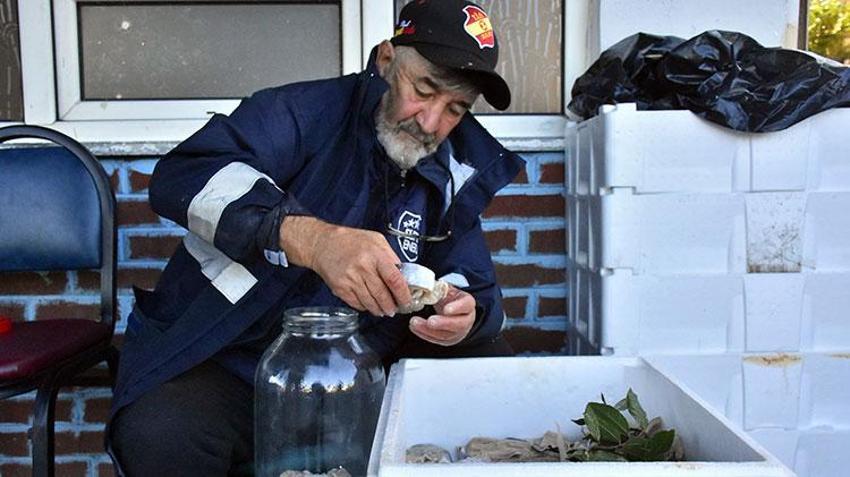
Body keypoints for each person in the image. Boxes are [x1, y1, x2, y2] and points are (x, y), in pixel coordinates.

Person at [107, 0, 524, 474]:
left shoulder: (454, 166)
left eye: (455, 108)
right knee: (159, 432)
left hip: (366, 376)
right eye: (424, 89)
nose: (430, 124)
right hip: (233, 361)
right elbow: (183, 175)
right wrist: (309, 238)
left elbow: (475, 287)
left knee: (488, 362)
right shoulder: (300, 112)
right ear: (386, 60)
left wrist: (466, 315)